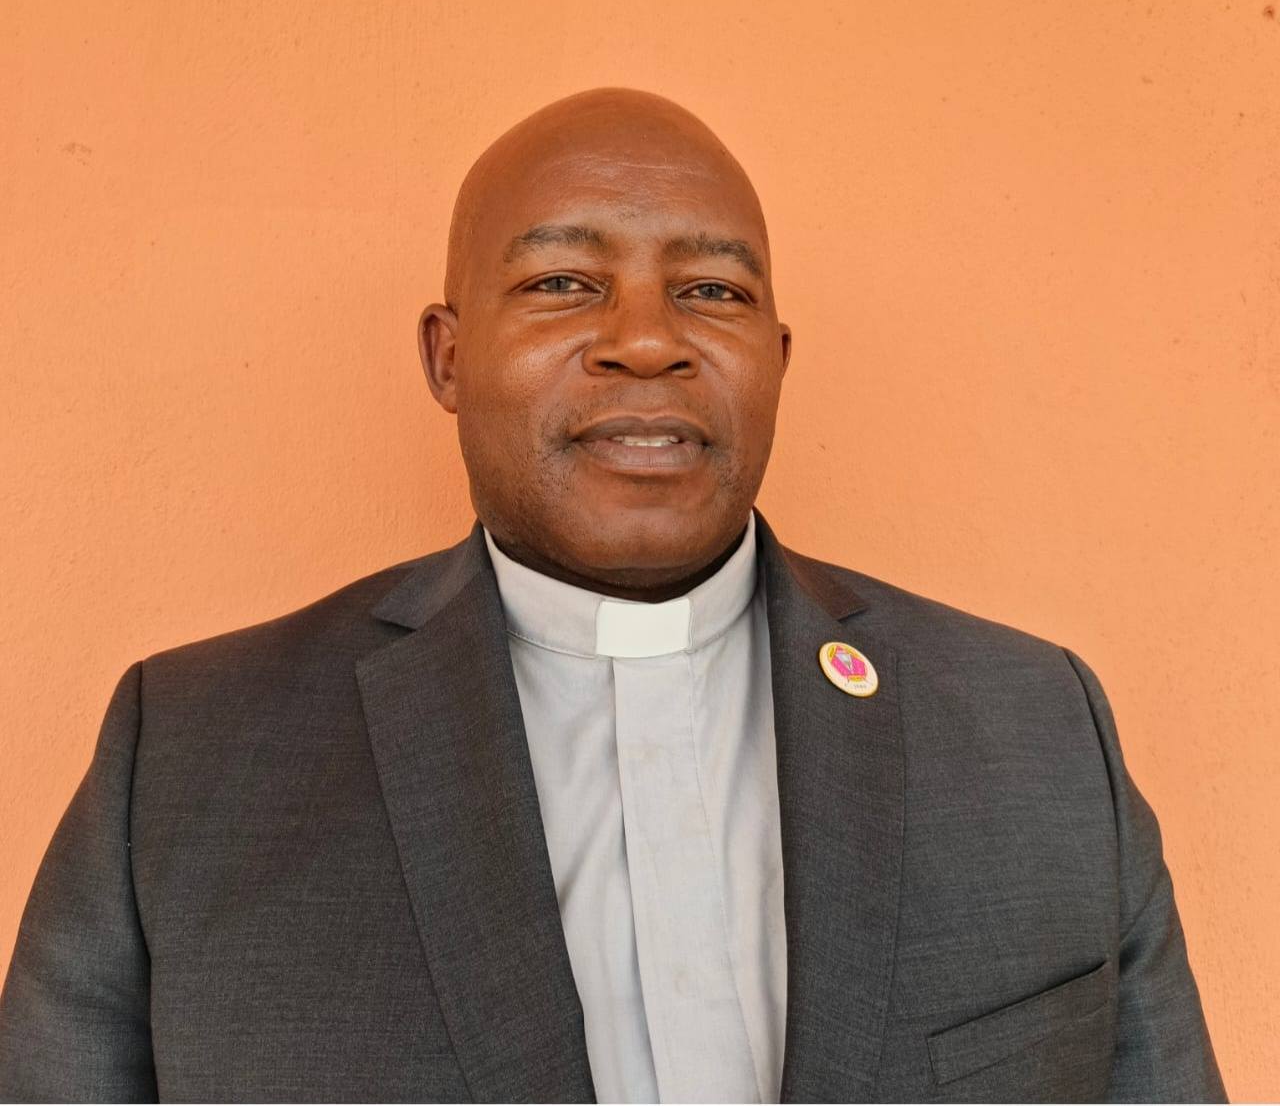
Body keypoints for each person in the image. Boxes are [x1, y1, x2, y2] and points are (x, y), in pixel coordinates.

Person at [0, 87, 1225, 1103]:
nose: (645, 339)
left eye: (711, 292)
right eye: (561, 283)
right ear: (446, 355)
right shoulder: (191, 757)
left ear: (775, 362)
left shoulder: (1033, 728)